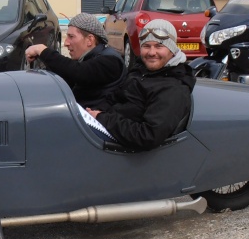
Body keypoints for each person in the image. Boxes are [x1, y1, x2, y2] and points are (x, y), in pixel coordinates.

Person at [85, 19, 194, 151]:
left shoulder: (173, 88)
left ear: (172, 50)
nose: (152, 52)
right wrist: (93, 112)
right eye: (146, 46)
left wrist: (102, 118)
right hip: (107, 130)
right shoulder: (140, 71)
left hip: (123, 150)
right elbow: (115, 97)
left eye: (159, 46)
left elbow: (147, 136)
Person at [24, 13, 125, 107]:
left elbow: (78, 72)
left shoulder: (110, 61)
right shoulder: (89, 58)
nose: (66, 43)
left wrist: (43, 51)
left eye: (71, 37)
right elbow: (67, 73)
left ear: (90, 40)